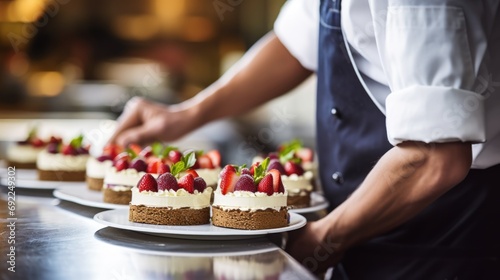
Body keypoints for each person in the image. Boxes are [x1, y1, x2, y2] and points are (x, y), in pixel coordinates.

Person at [109, 0, 500, 278]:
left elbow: (435, 155)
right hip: (364, 226)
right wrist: (184, 116)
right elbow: (296, 42)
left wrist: (321, 239)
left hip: (443, 235)